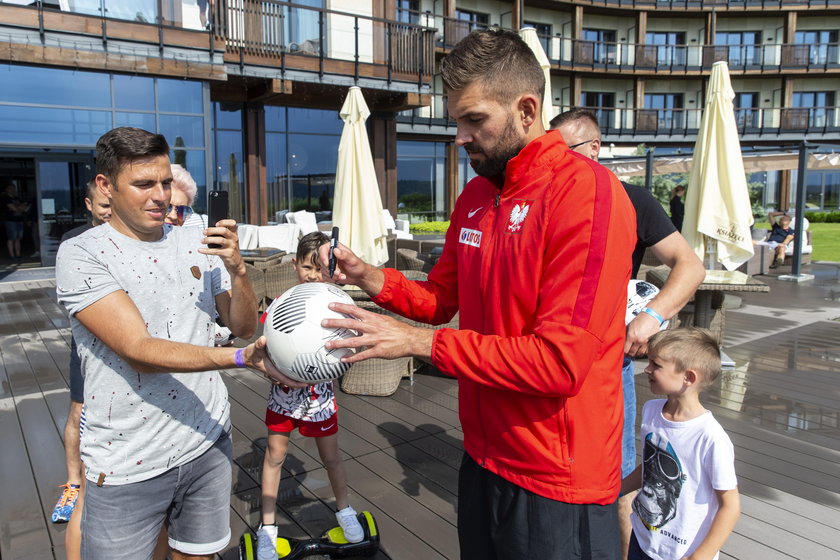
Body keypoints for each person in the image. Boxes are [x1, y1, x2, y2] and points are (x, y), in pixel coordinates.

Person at [319, 29, 636, 559]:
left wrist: (420, 344)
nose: (460, 137)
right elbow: (440, 299)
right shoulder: (476, 194)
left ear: (527, 109)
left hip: (557, 477)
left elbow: (560, 363)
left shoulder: (588, 195)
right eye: (456, 122)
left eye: (475, 120)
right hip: (484, 456)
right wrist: (369, 276)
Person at [55, 126, 304, 560]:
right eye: (144, 184)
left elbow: (243, 324)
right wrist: (241, 358)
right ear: (105, 186)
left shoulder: (196, 236)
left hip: (206, 441)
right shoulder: (83, 253)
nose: (160, 195)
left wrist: (239, 271)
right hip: (127, 459)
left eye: (165, 182)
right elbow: (139, 349)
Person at [551, 108, 705, 559]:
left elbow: (689, 265)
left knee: (616, 476)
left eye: (564, 153)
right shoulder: (551, 200)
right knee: (555, 470)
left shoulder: (631, 199)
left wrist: (652, 316)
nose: (554, 164)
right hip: (547, 356)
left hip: (607, 361)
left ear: (594, 149)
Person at [255, 231, 364, 559]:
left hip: (319, 399)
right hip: (284, 395)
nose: (313, 275)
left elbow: (353, 336)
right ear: (294, 265)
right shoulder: (281, 304)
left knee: (332, 457)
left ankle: (343, 510)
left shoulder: (335, 303)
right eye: (306, 267)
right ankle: (268, 526)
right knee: (274, 456)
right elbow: (266, 342)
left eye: (319, 269)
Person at [621, 328, 740, 560]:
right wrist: (615, 490)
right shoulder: (652, 411)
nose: (647, 369)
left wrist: (700, 556)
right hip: (643, 539)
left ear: (689, 377)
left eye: (656, 365)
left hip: (682, 553)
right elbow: (649, 468)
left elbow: (731, 506)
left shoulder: (711, 437)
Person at [50, 180, 111, 560]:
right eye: (102, 204)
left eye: (111, 204)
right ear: (90, 203)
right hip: (85, 343)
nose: (108, 210)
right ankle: (74, 481)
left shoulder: (128, 237)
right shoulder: (75, 242)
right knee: (78, 410)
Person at [2, 182, 29, 260]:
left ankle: (18, 255)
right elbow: (15, 208)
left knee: (18, 238)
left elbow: (25, 207)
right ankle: (12, 256)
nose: (13, 190)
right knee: (11, 238)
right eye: (11, 188)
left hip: (19, 220)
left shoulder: (17, 198)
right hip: (10, 220)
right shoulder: (6, 198)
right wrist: (19, 208)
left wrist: (18, 208)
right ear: (7, 189)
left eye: (13, 188)